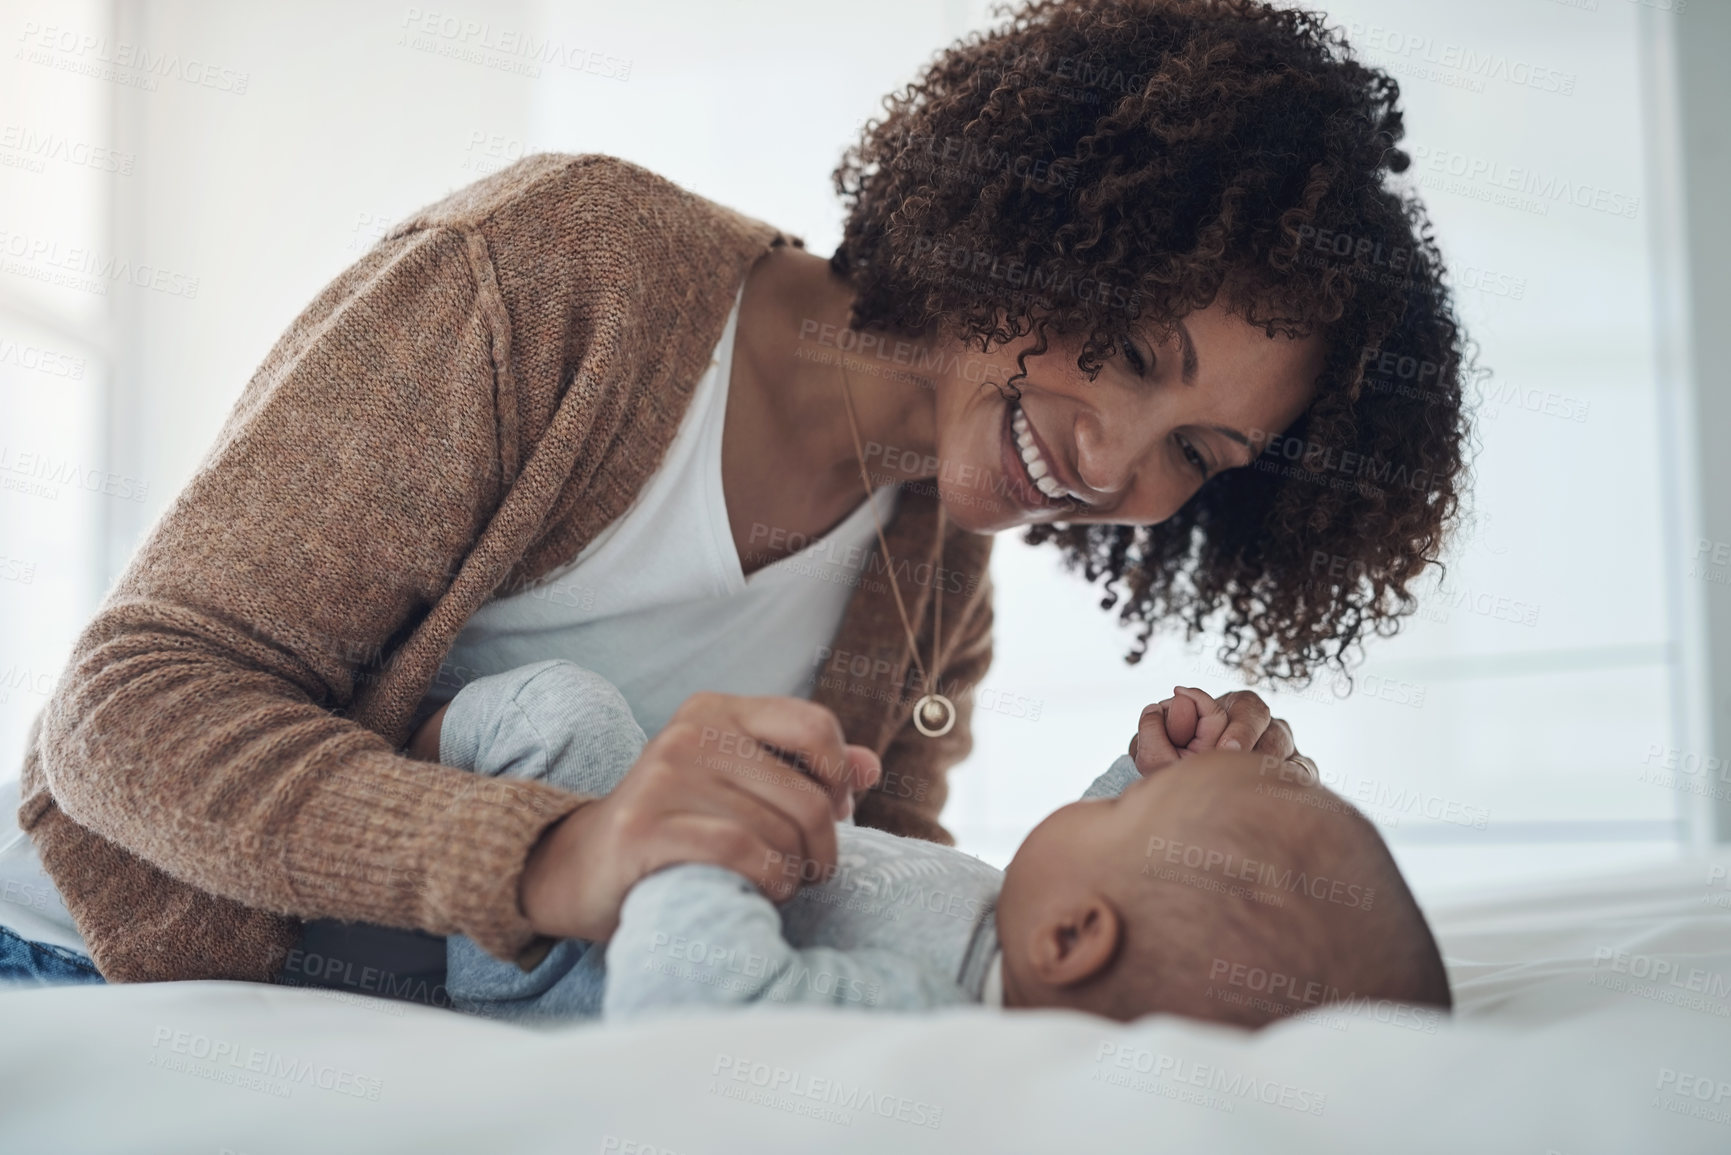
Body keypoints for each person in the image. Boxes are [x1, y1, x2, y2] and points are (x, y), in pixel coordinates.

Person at [7, 0, 1469, 989]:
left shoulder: (933, 583)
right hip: (82, 949)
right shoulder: (559, 274)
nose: (1112, 465)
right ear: (1043, 211)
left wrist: (1149, 842)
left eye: (1195, 458)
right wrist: (557, 854)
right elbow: (126, 706)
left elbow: (840, 892)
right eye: (1135, 350)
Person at [426, 659, 1450, 1028]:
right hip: (634, 890)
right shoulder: (1021, 944)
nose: (1092, 801)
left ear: (1075, 938)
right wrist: (1151, 784)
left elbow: (697, 1011)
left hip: (557, 963)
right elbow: (1065, 878)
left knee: (568, 711)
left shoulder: (929, 1020)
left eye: (1110, 811)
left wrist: (711, 839)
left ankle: (389, 737)